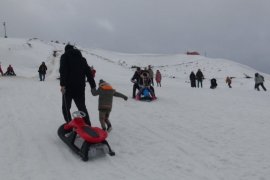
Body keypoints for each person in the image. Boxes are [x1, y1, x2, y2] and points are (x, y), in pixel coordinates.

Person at [59, 44, 96, 126]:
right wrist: (93, 86)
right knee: (82, 108)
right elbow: (89, 73)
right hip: (80, 88)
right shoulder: (82, 59)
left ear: (66, 50)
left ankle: (70, 125)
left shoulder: (64, 57)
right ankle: (88, 125)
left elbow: (63, 71)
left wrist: (62, 85)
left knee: (66, 107)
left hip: (68, 88)